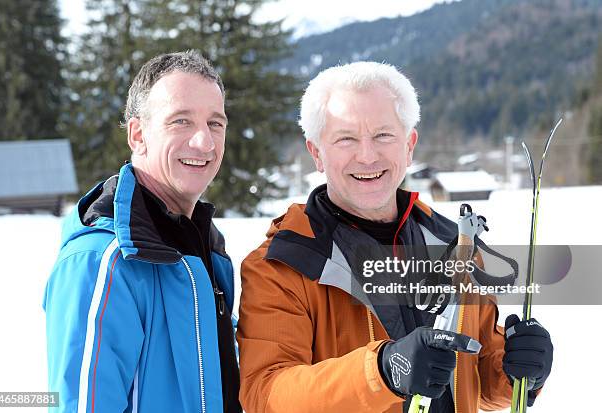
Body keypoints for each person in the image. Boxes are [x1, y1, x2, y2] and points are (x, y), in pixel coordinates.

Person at [236, 62, 553, 413]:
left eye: (383, 135)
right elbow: (265, 396)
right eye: (345, 138)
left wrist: (518, 373)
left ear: (409, 145)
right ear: (316, 153)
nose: (367, 155)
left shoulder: (453, 245)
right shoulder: (282, 263)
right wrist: (382, 372)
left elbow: (477, 384)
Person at [44, 51, 242, 412]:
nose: (205, 142)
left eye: (216, 123)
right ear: (138, 134)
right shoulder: (102, 261)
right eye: (181, 121)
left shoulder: (204, 248)